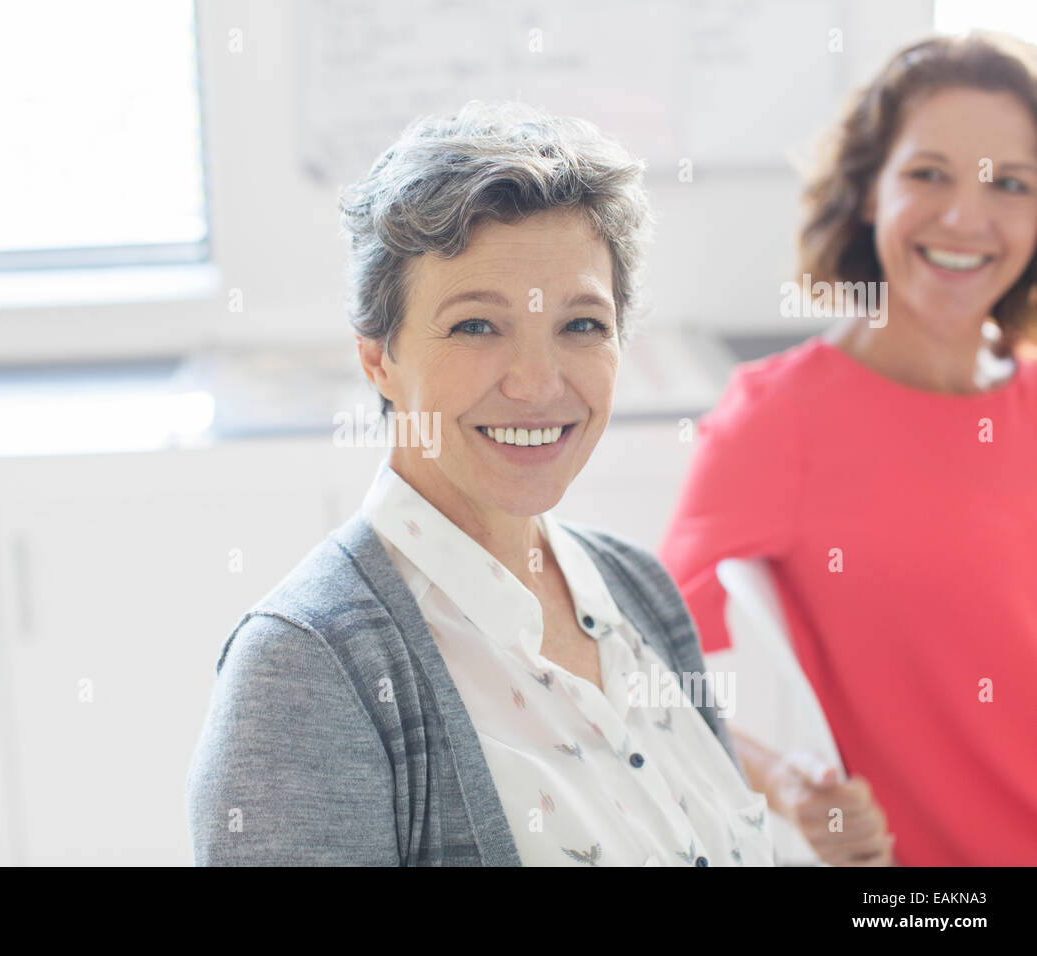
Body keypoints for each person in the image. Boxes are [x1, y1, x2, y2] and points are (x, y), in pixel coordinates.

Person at [186, 100, 775, 865]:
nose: (536, 384)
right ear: (378, 358)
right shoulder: (303, 673)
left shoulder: (640, 592)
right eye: (476, 325)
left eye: (581, 325)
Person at [659, 32, 1037, 867]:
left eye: (1010, 184)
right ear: (868, 192)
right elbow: (642, 671)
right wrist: (786, 786)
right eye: (928, 173)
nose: (965, 218)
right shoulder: (781, 418)